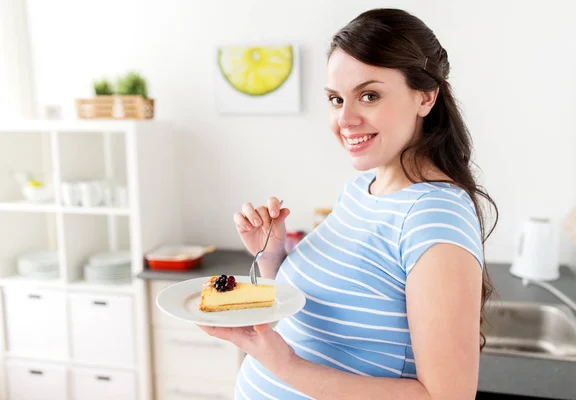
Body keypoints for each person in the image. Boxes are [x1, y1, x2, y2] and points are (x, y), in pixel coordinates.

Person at [199, 8, 498, 400]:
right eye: (336, 99)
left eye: (369, 95)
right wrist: (271, 257)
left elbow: (446, 397)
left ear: (425, 97)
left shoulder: (434, 217)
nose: (345, 118)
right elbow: (314, 319)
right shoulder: (362, 189)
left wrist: (284, 366)